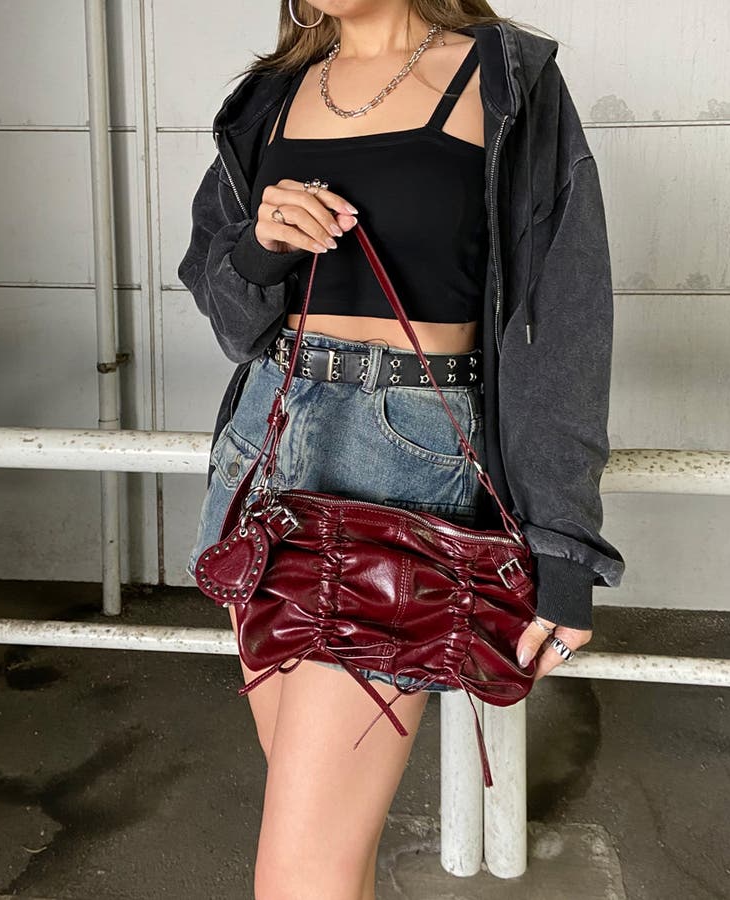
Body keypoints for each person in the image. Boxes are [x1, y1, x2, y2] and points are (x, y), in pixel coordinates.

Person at [178, 2, 626, 897]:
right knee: (324, 850)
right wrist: (262, 249)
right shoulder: (270, 95)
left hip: (407, 463)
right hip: (266, 446)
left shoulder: (504, 83)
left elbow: (562, 325)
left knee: (302, 872)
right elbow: (229, 317)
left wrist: (565, 546)